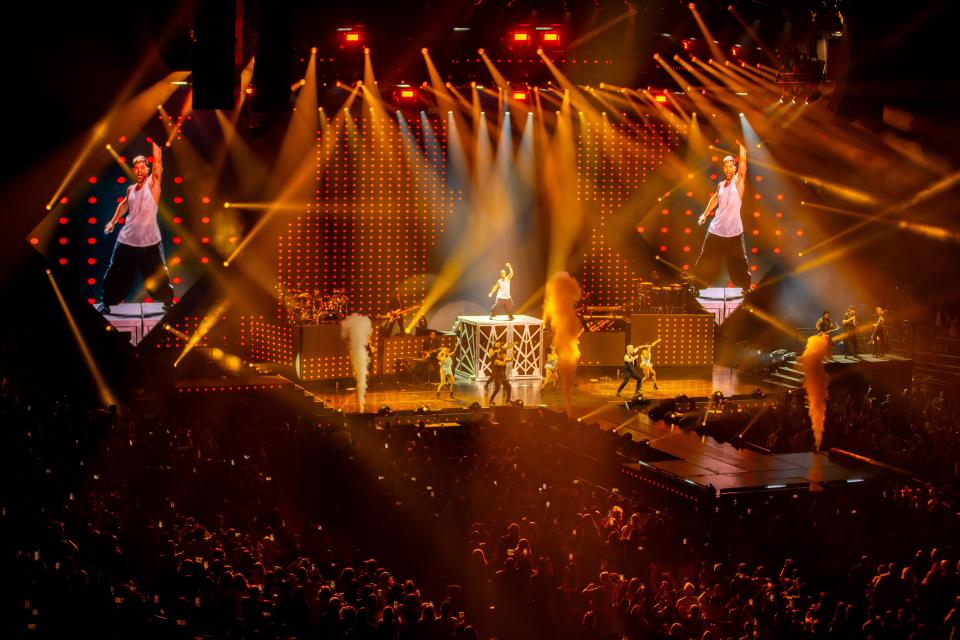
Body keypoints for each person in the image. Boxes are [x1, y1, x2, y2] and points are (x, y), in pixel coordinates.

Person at [97, 140, 175, 314]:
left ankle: (169, 302)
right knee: (115, 272)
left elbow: (158, 161)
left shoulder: (153, 185)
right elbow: (124, 205)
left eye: (143, 167)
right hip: (127, 240)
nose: (140, 170)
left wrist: (156, 141)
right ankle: (105, 302)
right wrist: (113, 221)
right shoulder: (130, 189)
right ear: (133, 170)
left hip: (150, 242)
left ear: (147, 169)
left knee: (158, 275)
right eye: (136, 168)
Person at [694, 143, 751, 291]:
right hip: (716, 230)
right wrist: (705, 214)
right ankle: (697, 286)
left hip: (734, 233)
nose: (727, 168)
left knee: (740, 262)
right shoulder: (720, 185)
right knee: (705, 258)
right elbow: (714, 199)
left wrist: (742, 150)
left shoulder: (738, 182)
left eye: (730, 165)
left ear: (735, 167)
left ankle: (745, 287)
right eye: (725, 166)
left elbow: (743, 167)